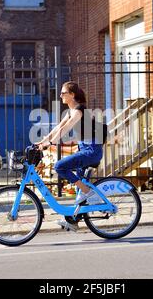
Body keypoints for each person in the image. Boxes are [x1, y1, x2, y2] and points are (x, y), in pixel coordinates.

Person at [37, 81, 104, 231]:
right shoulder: (70, 111)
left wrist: (51, 143)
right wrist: (42, 141)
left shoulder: (78, 111)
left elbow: (65, 129)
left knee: (59, 166)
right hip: (84, 149)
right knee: (79, 189)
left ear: (72, 95)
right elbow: (58, 128)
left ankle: (90, 193)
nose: (60, 95)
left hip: (91, 151)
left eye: (63, 93)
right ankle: (74, 221)